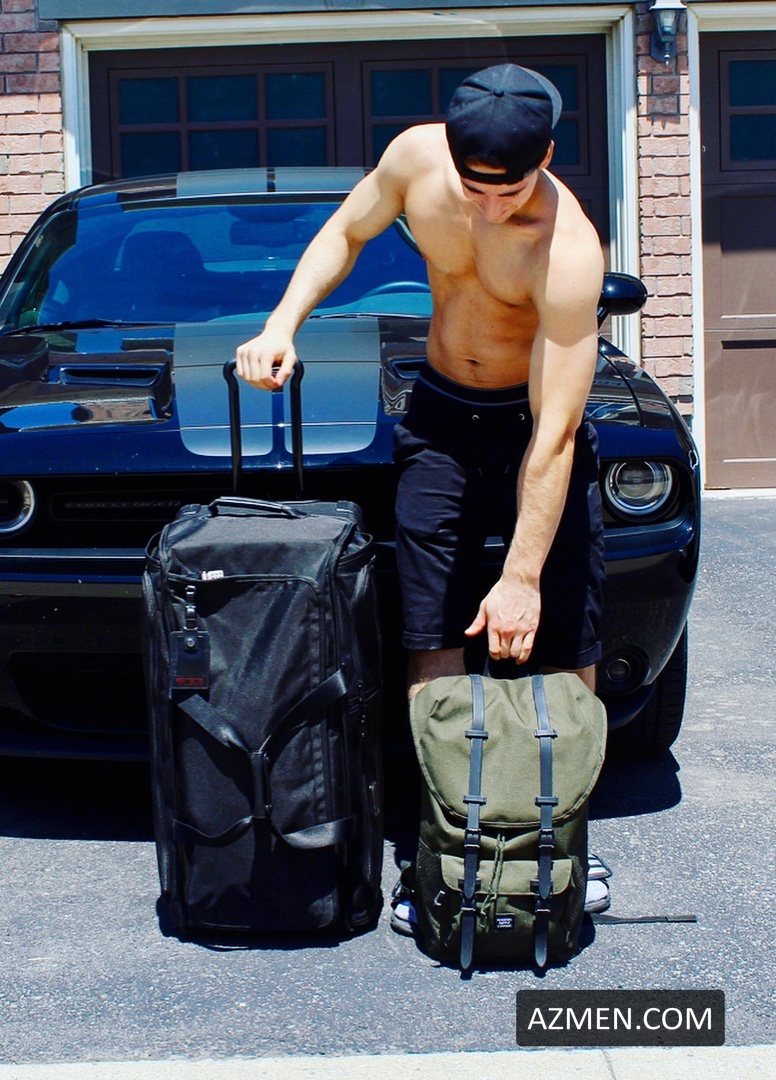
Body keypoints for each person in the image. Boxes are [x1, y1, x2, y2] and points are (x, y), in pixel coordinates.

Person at [234, 64, 611, 917]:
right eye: (477, 190)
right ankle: (441, 846)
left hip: (532, 428)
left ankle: (568, 846)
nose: (492, 210)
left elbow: (554, 436)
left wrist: (520, 577)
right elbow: (345, 232)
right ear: (450, 154)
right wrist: (281, 322)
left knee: (565, 635)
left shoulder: (568, 249)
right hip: (441, 419)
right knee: (431, 627)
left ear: (548, 158)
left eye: (511, 191)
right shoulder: (413, 159)